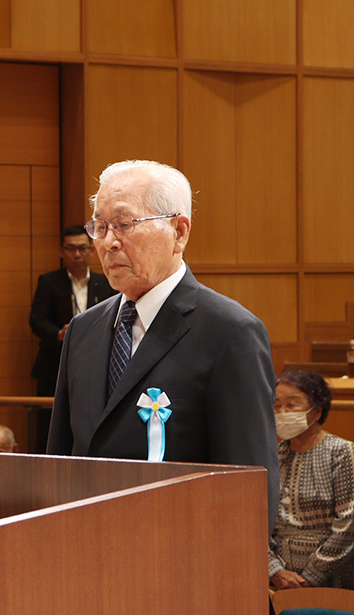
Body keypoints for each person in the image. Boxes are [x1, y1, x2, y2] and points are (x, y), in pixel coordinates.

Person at [46, 159, 279, 531]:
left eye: (124, 224)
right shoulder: (84, 329)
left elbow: (250, 486)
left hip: (176, 558)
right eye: (101, 226)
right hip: (84, 552)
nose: (108, 242)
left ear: (179, 231)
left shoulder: (230, 332)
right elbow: (59, 459)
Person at [29, 225, 116, 452]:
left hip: (95, 364)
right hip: (54, 364)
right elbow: (37, 320)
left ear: (91, 250)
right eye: (71, 249)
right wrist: (59, 334)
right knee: (49, 426)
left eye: (82, 248)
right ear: (61, 251)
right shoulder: (49, 282)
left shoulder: (106, 283)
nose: (77, 254)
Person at [269, 370, 354, 590]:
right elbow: (257, 520)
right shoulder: (271, 456)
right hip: (277, 582)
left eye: (291, 405)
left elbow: (349, 521)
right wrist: (275, 570)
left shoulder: (342, 452)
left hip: (332, 578)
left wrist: (312, 575)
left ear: (316, 411)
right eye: (277, 406)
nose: (282, 412)